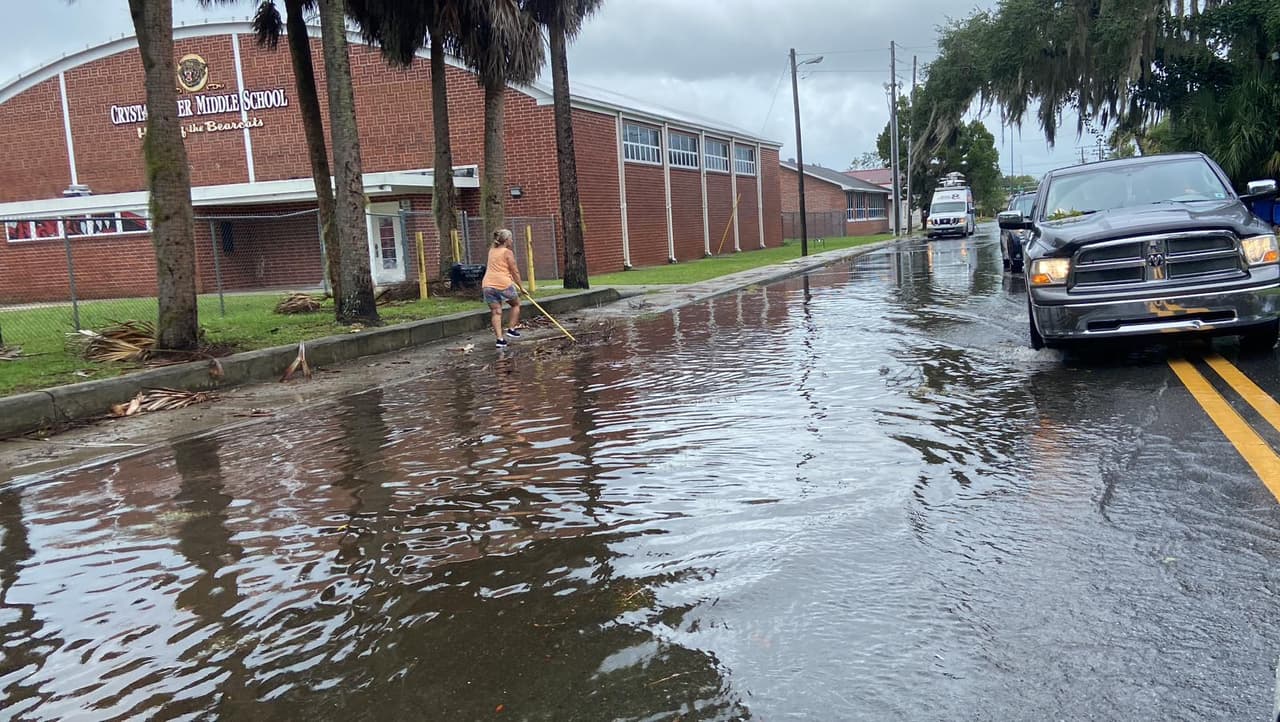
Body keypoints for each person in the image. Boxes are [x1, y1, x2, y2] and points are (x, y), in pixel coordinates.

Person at [481, 228, 523, 348]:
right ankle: (511, 329)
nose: (512, 240)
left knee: (496, 312)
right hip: (503, 284)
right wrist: (521, 287)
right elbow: (515, 271)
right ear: (506, 240)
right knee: (515, 304)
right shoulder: (507, 252)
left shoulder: (491, 250)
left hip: (487, 285)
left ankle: (500, 339)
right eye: (511, 238)